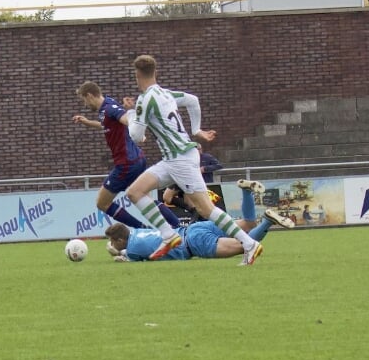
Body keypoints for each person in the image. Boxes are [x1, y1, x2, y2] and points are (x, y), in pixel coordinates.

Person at [122, 54, 262, 265]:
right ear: (155, 72)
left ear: (137, 75)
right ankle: (169, 236)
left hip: (179, 159)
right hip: (175, 158)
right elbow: (193, 101)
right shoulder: (166, 94)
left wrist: (132, 114)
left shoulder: (145, 100)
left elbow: (135, 136)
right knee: (134, 192)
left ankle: (249, 244)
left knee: (206, 208)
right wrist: (195, 130)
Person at [72, 81, 179, 230]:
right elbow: (108, 125)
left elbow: (126, 119)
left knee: (102, 203)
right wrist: (87, 122)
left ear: (89, 95)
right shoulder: (107, 106)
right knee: (143, 197)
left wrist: (137, 131)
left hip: (126, 163)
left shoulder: (109, 108)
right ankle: (177, 226)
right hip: (136, 159)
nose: (84, 104)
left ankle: (142, 229)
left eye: (84, 100)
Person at [106, 180, 295, 262]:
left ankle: (268, 222)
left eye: (114, 241)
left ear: (121, 241)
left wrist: (118, 253)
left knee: (245, 245)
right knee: (247, 224)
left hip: (194, 243)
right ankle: (246, 192)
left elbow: (128, 256)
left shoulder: (132, 249)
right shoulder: (138, 231)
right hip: (194, 228)